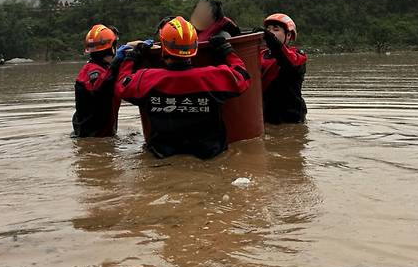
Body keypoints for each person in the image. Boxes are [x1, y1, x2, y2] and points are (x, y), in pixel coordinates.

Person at [115, 16, 250, 159]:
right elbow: (243, 76)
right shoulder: (214, 77)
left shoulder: (146, 79)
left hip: (163, 157)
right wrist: (226, 50)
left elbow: (122, 85)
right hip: (209, 157)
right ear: (195, 46)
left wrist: (132, 57)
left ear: (163, 47)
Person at [72, 24, 125, 138]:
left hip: (91, 133)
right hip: (95, 135)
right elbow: (101, 86)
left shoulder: (99, 68)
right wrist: (117, 62)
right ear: (112, 47)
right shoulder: (94, 72)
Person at [260, 13, 307, 124]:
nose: (270, 32)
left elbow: (288, 62)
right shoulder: (260, 54)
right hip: (267, 115)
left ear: (289, 35)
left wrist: (273, 43)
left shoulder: (298, 56)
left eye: (276, 30)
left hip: (291, 117)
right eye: (268, 29)